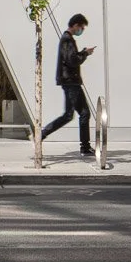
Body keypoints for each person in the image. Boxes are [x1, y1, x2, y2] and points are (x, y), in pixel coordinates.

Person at [41, 13, 95, 156]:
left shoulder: (68, 39)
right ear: (75, 25)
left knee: (77, 114)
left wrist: (82, 52)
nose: (81, 30)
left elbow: (71, 58)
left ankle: (85, 147)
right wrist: (85, 54)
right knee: (76, 114)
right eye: (81, 27)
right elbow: (72, 60)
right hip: (71, 82)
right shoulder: (67, 39)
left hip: (71, 81)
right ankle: (42, 134)